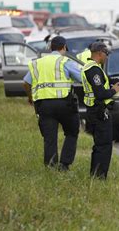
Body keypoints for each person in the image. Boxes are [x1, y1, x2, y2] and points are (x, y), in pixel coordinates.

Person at [22, 36, 82, 170]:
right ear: (64, 47)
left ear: (50, 48)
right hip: (64, 104)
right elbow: (81, 77)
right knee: (72, 132)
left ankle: (51, 166)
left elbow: (26, 83)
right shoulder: (65, 61)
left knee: (50, 137)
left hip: (44, 106)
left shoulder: (37, 63)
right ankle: (65, 165)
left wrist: (31, 97)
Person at [81, 42, 119, 179]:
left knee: (100, 145)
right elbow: (100, 93)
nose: (107, 57)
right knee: (104, 145)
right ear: (100, 53)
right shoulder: (93, 70)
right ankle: (99, 176)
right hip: (98, 111)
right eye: (107, 54)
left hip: (94, 110)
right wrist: (113, 90)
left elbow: (106, 81)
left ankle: (95, 174)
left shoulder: (94, 68)